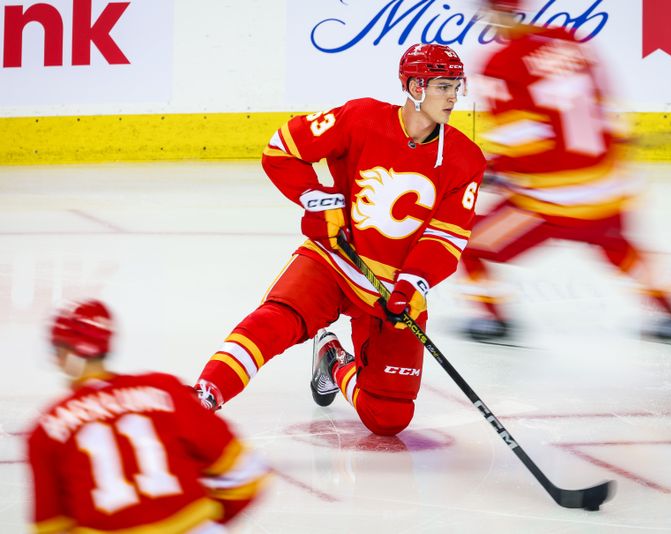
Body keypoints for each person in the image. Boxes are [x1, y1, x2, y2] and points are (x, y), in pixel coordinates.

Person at [193, 43, 486, 436]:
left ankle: (333, 360)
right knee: (275, 321)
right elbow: (281, 149)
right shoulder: (360, 118)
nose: (454, 97)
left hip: (393, 290)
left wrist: (413, 281)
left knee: (388, 418)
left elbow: (447, 238)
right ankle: (202, 396)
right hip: (335, 259)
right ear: (416, 87)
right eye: (443, 87)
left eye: (456, 86)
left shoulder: (465, 159)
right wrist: (317, 199)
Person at [459, 0, 671, 343]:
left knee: (466, 243)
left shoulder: (500, 62)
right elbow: (608, 108)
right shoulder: (570, 40)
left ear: (496, 13)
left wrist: (492, 170)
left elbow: (518, 141)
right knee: (618, 248)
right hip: (608, 189)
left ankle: (491, 318)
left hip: (548, 204)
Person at [27, 300, 270, 533]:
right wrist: (208, 523)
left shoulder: (47, 429)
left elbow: (50, 527)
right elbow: (246, 471)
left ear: (69, 354)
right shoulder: (164, 390)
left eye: (57, 349)